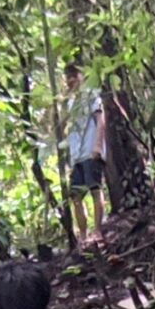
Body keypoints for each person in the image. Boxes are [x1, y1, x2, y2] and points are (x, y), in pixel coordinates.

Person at [61, 64, 107, 239]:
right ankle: (82, 234)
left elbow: (100, 120)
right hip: (76, 155)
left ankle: (98, 230)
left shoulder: (91, 95)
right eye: (68, 77)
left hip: (90, 150)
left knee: (95, 189)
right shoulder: (70, 103)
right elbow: (65, 128)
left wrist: (98, 146)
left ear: (82, 76)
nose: (71, 80)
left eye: (74, 75)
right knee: (75, 196)